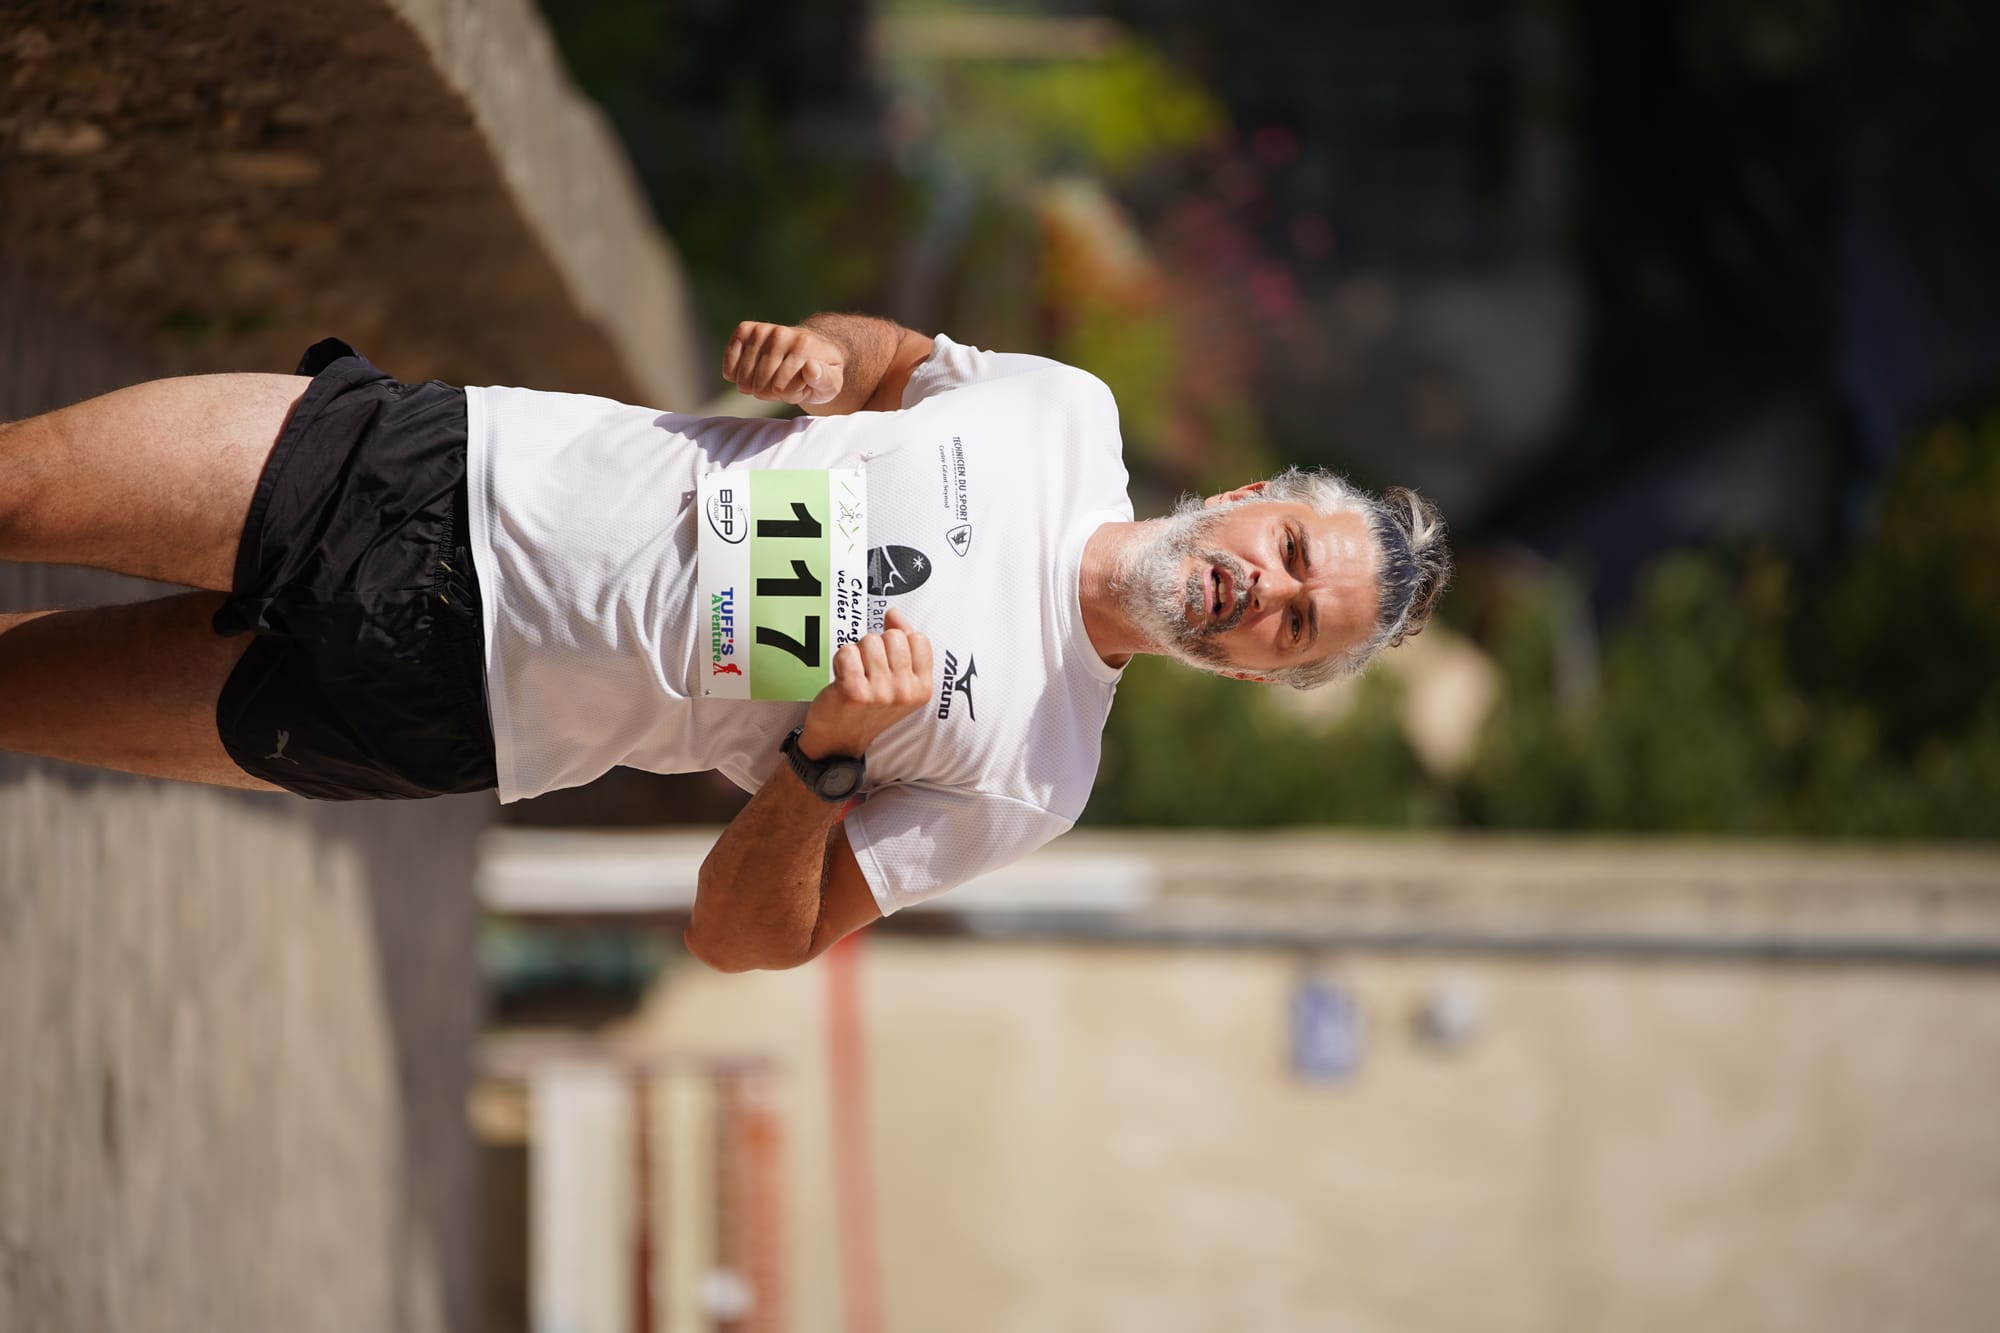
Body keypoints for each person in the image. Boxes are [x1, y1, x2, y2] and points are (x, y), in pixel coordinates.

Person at [0, 314, 1449, 970]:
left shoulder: (1038, 778)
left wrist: (821, 768)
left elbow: (742, 935)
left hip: (454, 707)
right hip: (456, 473)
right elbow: (882, 362)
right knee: (20, 487)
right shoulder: (1065, 414)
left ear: (1266, 675)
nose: (1265, 593)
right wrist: (819, 360)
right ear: (1258, 502)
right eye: (1294, 557)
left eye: (1295, 630)